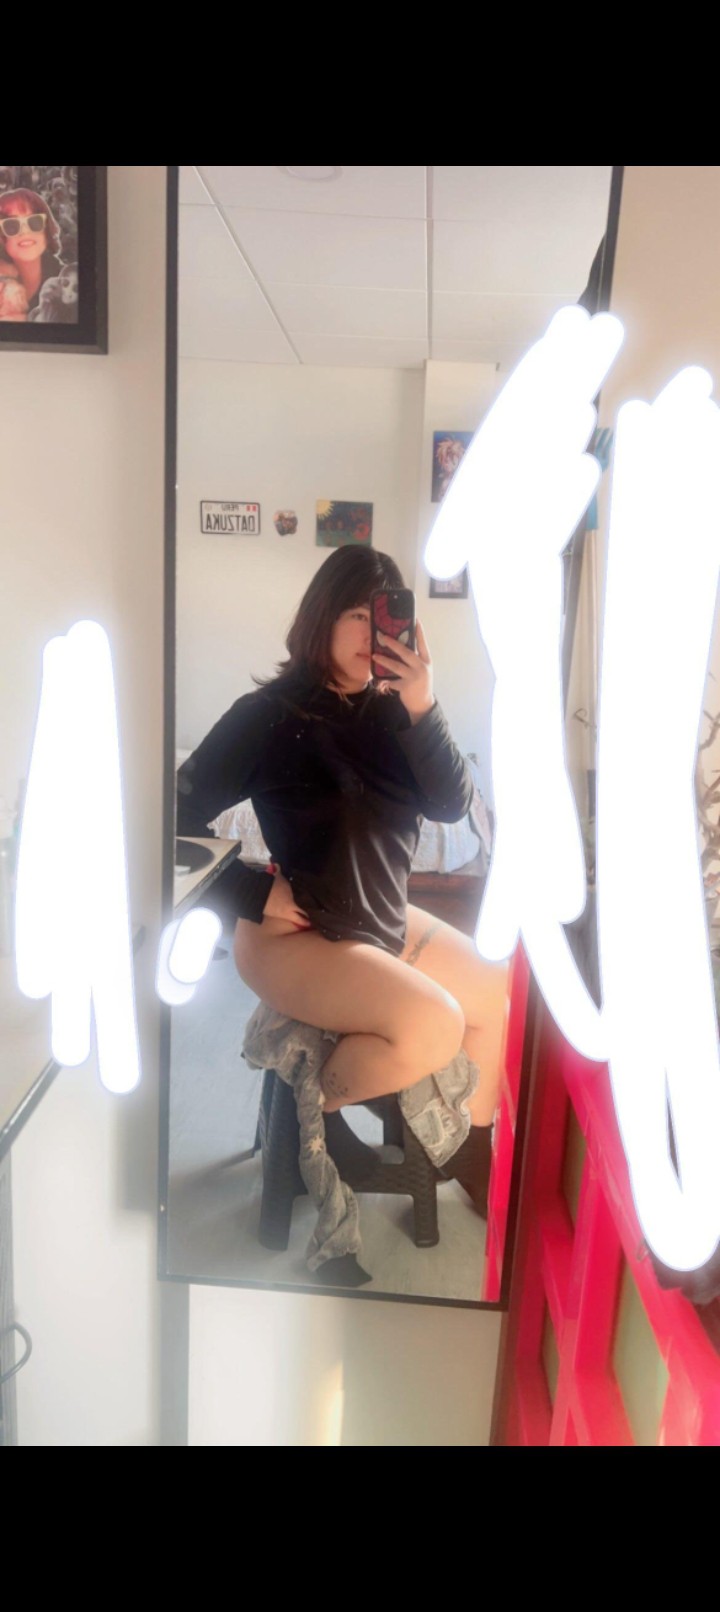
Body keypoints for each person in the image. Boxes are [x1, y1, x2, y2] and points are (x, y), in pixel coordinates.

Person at [177, 546, 508, 1211]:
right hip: (294, 932)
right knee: (434, 1024)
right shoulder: (269, 715)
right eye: (356, 614)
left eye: (383, 615)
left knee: (496, 994)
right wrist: (253, 889)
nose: (371, 632)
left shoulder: (397, 713)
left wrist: (423, 703)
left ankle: (470, 1145)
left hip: (378, 917)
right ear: (322, 616)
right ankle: (316, 1115)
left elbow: (451, 806)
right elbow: (171, 818)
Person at [0, 189, 63, 321]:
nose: (25, 231)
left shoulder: (68, 282)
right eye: (11, 225)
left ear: (46, 229)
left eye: (35, 222)